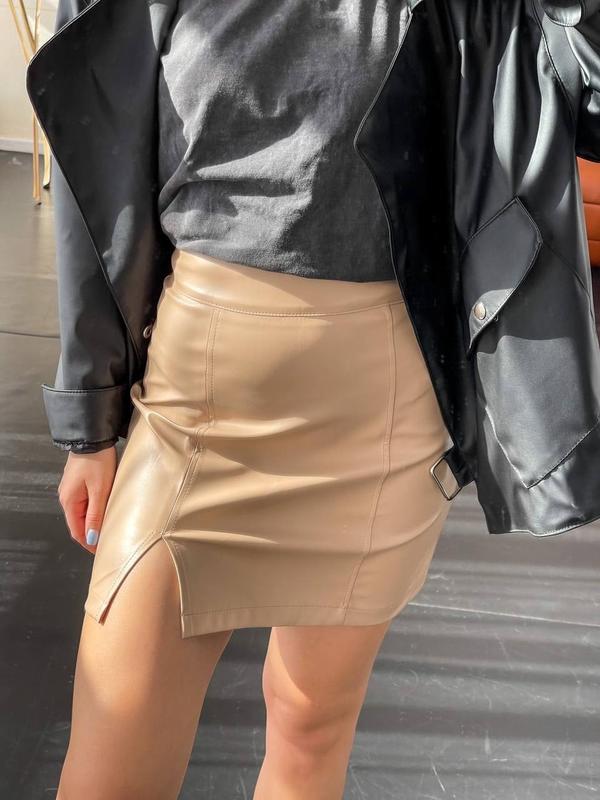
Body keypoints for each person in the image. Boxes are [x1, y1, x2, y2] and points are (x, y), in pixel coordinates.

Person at [50, 2, 454, 798]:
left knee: (311, 727)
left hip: (387, 401)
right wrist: (88, 416)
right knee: (112, 755)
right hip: (196, 403)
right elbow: (91, 149)